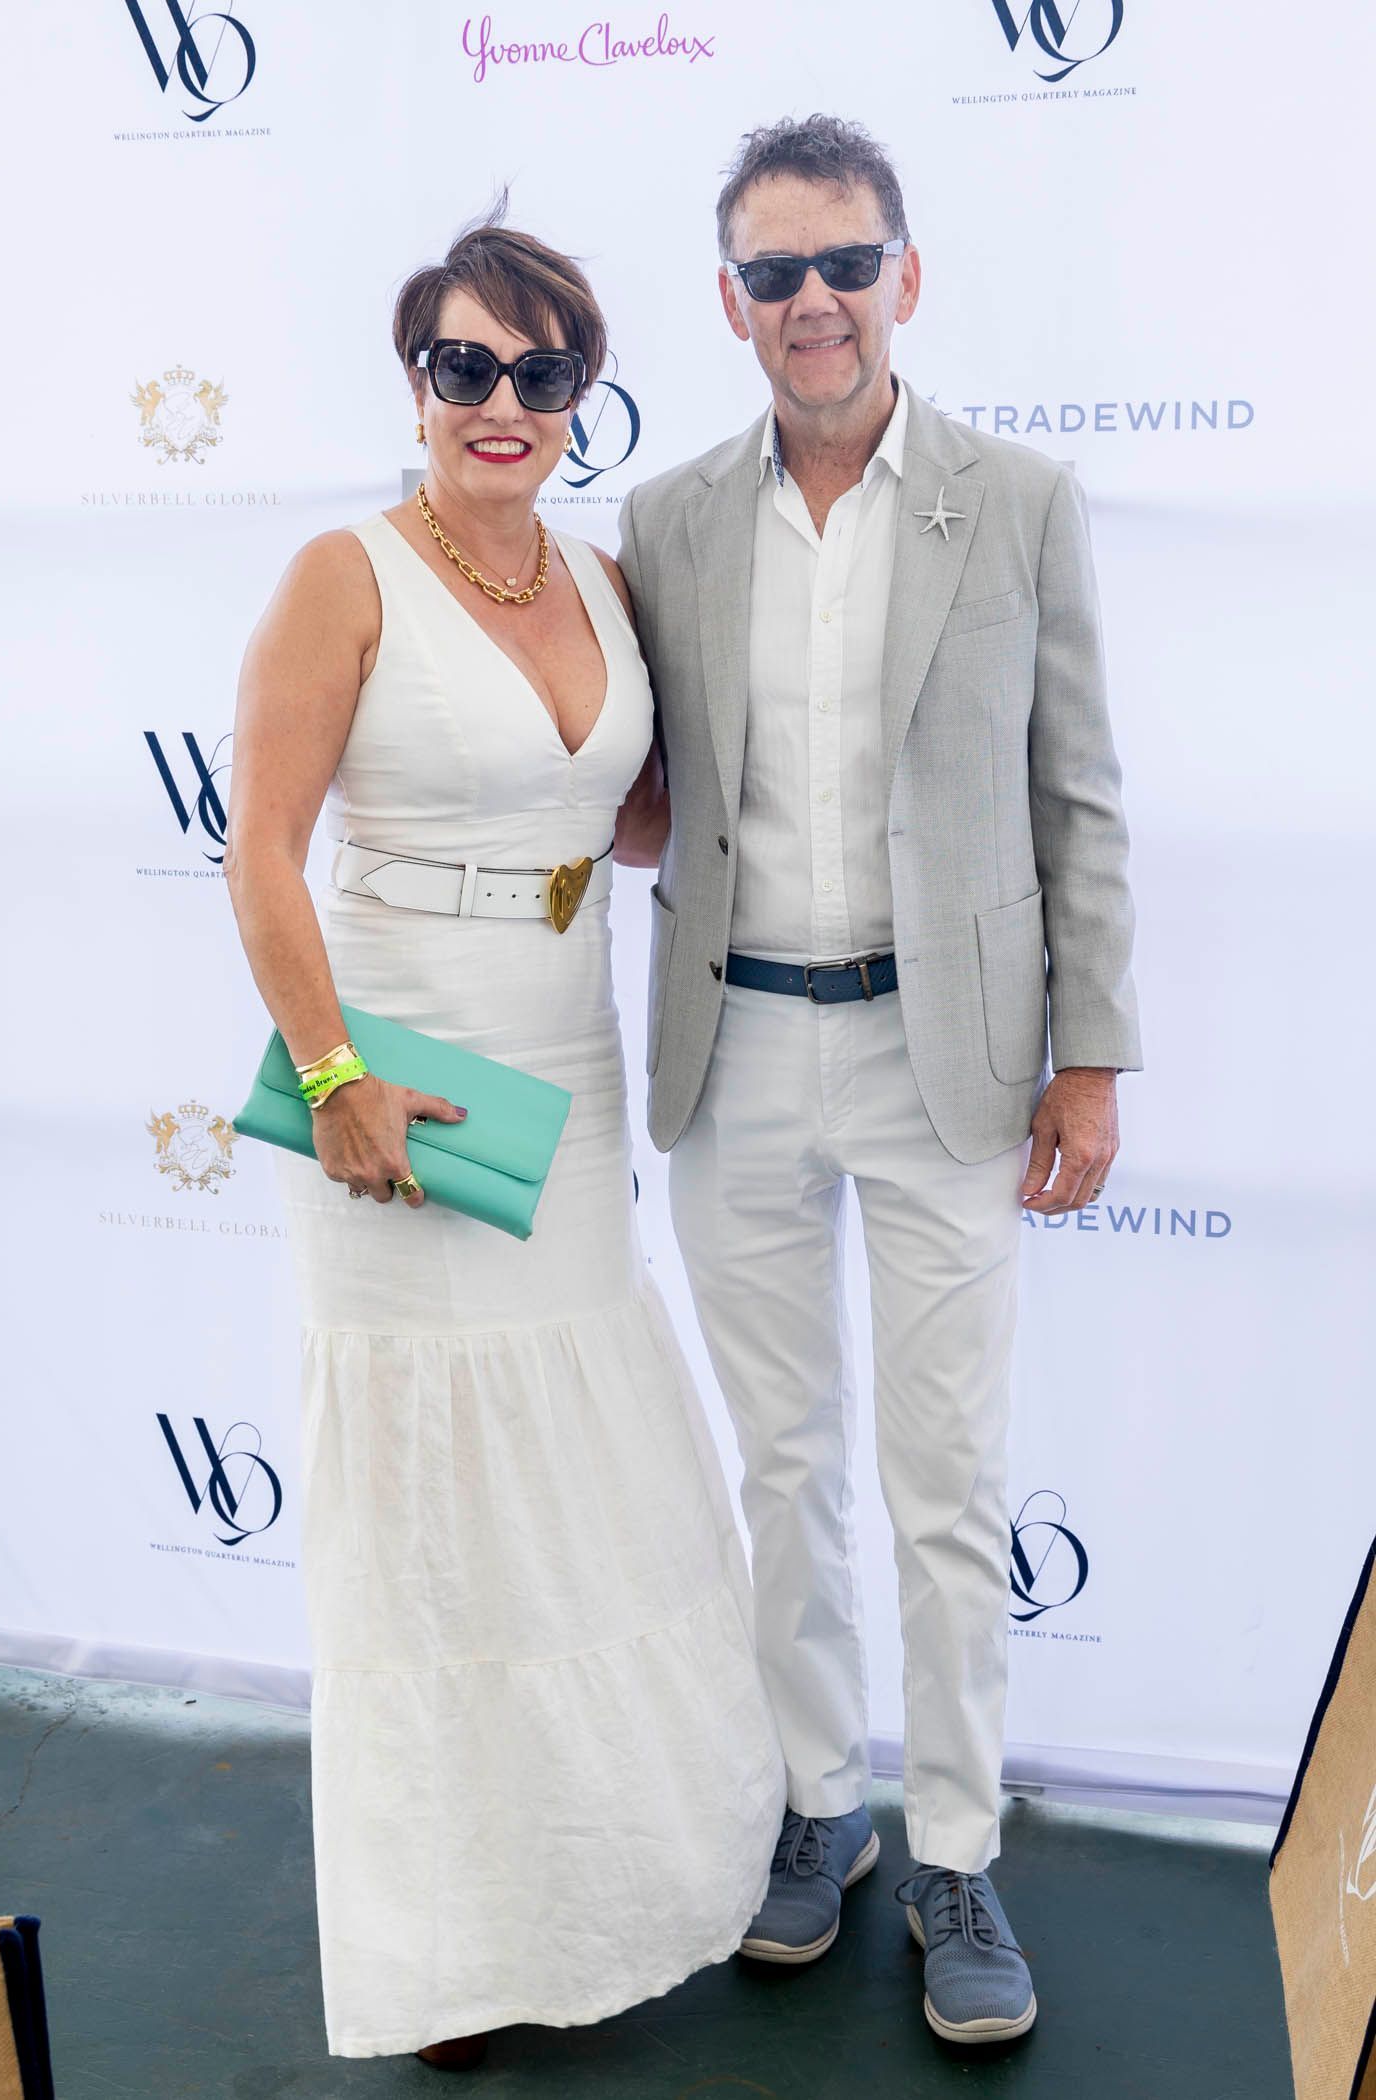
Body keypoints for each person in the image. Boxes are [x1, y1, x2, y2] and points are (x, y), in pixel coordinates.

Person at [224, 212, 783, 2068]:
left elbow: (625, 828)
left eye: (540, 374)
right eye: (466, 366)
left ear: (581, 397)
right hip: (401, 1073)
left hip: (573, 1046)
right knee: (428, 1521)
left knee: (571, 1492)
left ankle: (598, 1886)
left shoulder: (601, 580)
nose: (501, 402)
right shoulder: (344, 573)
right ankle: (455, 1952)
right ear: (417, 380)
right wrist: (330, 1078)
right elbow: (261, 852)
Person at [618, 114, 1142, 2047]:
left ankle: (953, 1851)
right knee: (784, 1468)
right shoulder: (666, 518)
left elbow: (1074, 791)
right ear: (732, 305)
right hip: (735, 1044)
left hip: (957, 1063)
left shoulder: (1017, 499)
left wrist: (1090, 1055)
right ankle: (817, 1807)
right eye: (774, 273)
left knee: (946, 1484)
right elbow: (623, 773)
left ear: (905, 278)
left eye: (845, 264)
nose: (813, 301)